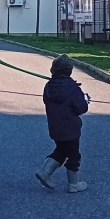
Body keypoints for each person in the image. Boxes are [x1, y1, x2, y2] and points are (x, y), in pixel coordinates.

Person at [35, 54, 89, 193]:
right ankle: (74, 184)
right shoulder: (73, 88)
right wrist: (85, 101)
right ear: (70, 71)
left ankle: (45, 172)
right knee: (74, 155)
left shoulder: (49, 86)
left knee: (61, 150)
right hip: (71, 129)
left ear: (53, 70)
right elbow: (81, 108)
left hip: (55, 128)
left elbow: (47, 101)